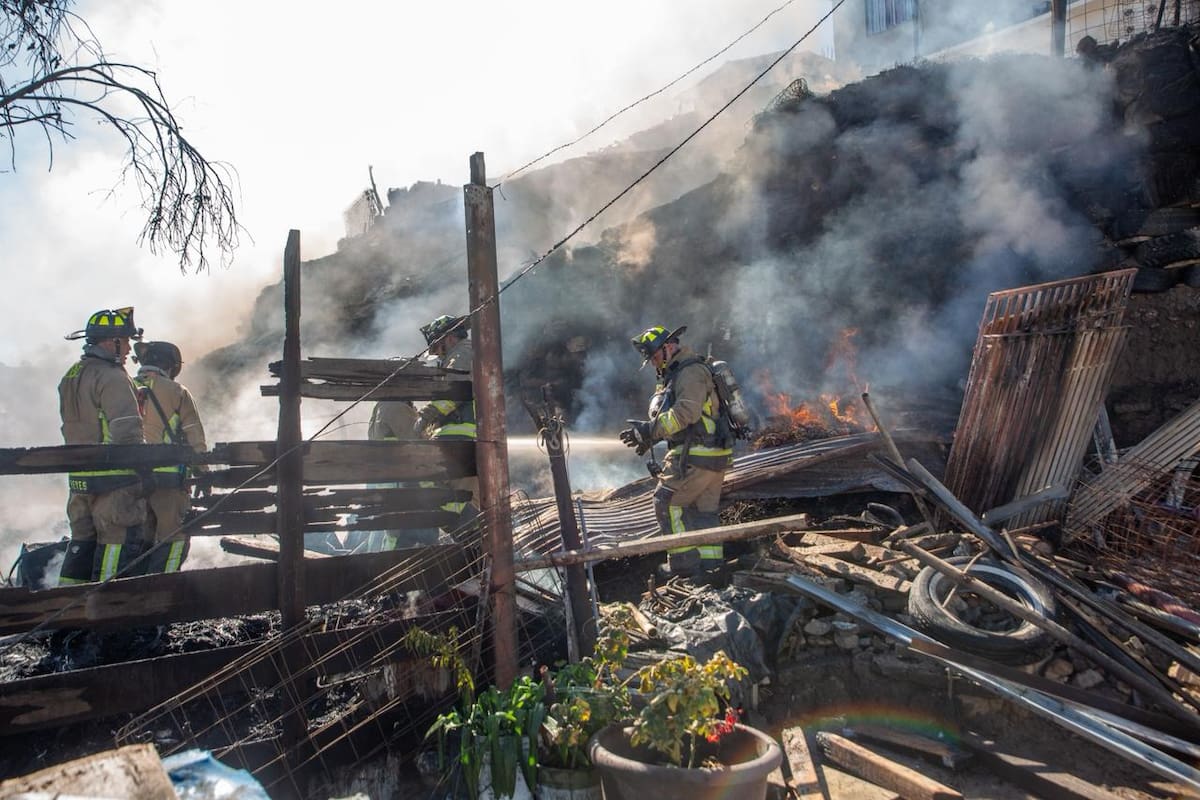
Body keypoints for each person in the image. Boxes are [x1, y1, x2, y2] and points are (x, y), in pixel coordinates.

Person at [620, 325, 733, 577]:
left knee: (666, 503)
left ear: (668, 346)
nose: (653, 363)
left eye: (654, 356)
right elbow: (689, 420)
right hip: (710, 455)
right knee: (703, 514)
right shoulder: (680, 373)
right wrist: (650, 438)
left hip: (694, 457)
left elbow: (686, 413)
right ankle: (711, 570)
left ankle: (683, 568)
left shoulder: (690, 372)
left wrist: (651, 430)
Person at [58, 307, 147, 584]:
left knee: (81, 546)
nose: (129, 347)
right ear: (111, 341)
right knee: (115, 544)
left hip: (80, 481)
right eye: (125, 340)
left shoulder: (71, 375)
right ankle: (105, 616)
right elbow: (127, 432)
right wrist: (144, 470)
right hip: (114, 482)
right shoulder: (113, 376)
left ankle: (69, 617)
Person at [132, 341, 208, 573]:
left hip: (129, 481)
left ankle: (133, 593)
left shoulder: (125, 388)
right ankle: (162, 591)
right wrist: (203, 476)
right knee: (174, 538)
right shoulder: (177, 392)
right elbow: (195, 438)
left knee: (139, 541)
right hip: (170, 481)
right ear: (170, 365)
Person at [414, 314, 479, 532]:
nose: (435, 347)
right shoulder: (460, 353)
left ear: (449, 337)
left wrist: (426, 416)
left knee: (456, 500)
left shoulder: (461, 352)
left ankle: (469, 543)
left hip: (459, 437)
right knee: (461, 499)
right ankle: (471, 545)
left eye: (437, 341)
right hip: (460, 437)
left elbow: (455, 392)